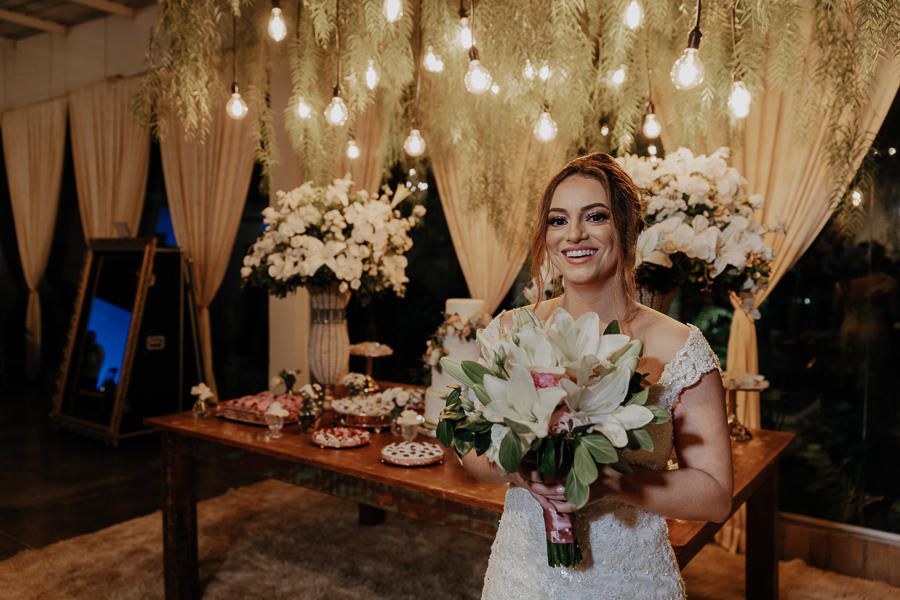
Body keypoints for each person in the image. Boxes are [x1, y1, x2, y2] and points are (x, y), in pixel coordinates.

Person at [462, 153, 733, 598]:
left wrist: (615, 482)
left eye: (595, 216)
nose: (574, 235)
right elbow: (470, 451)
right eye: (557, 220)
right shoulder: (508, 331)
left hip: (628, 581)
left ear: (627, 230)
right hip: (522, 575)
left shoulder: (678, 348)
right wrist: (519, 472)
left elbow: (716, 495)